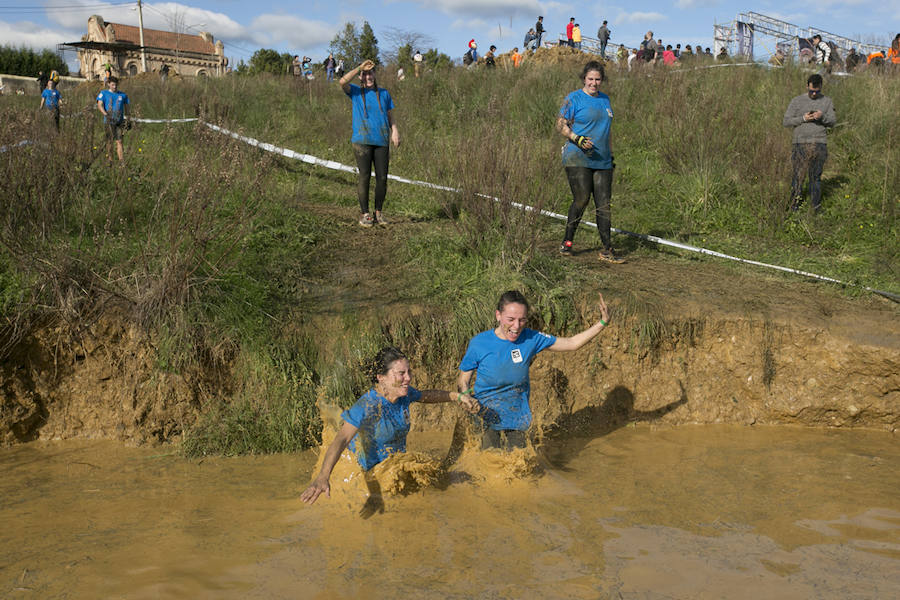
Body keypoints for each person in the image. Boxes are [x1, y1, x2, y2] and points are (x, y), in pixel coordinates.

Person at [301, 347, 479, 504]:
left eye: (409, 372)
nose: (408, 378)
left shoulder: (404, 394)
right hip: (372, 479)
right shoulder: (367, 405)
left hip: (396, 470)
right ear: (381, 378)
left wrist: (457, 397)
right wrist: (323, 476)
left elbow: (426, 396)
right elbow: (341, 439)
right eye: (401, 373)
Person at [457, 290, 611, 450]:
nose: (516, 326)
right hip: (484, 413)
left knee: (517, 467)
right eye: (510, 319)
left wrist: (603, 323)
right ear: (498, 315)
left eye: (522, 320)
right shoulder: (479, 343)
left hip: (516, 416)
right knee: (487, 461)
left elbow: (572, 343)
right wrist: (465, 396)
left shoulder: (532, 338)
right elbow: (463, 379)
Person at [556, 61, 623, 263]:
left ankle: (607, 249)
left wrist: (610, 156)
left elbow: (607, 130)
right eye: (590, 79)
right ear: (584, 79)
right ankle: (567, 242)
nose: (594, 83)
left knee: (604, 204)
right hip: (577, 156)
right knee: (582, 198)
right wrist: (577, 138)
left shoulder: (605, 100)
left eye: (598, 79)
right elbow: (560, 124)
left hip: (602, 160)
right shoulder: (573, 98)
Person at [340, 59, 400, 227]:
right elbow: (342, 81)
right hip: (362, 141)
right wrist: (359, 67)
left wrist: (395, 130)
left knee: (382, 178)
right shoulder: (355, 92)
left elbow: (389, 115)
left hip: (381, 140)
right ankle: (365, 214)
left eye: (371, 73)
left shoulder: (384, 93)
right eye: (365, 74)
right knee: (364, 176)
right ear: (360, 76)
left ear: (375, 74)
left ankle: (378, 213)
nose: (368, 77)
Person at [783, 74, 836, 213]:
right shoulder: (797, 101)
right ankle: (794, 206)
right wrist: (803, 118)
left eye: (816, 91)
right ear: (807, 86)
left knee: (815, 177)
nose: (813, 94)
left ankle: (815, 207)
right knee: (797, 176)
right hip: (800, 143)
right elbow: (786, 121)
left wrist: (822, 117)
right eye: (811, 90)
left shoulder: (827, 101)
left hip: (819, 143)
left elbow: (833, 122)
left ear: (821, 88)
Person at [96, 75, 130, 163]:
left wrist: (128, 120)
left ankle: (121, 162)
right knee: (109, 141)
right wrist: (105, 114)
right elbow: (99, 105)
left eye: (116, 85)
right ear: (108, 84)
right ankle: (110, 160)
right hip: (108, 121)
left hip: (119, 121)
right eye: (112, 85)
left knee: (119, 141)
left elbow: (127, 108)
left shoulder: (123, 95)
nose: (114, 87)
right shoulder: (103, 93)